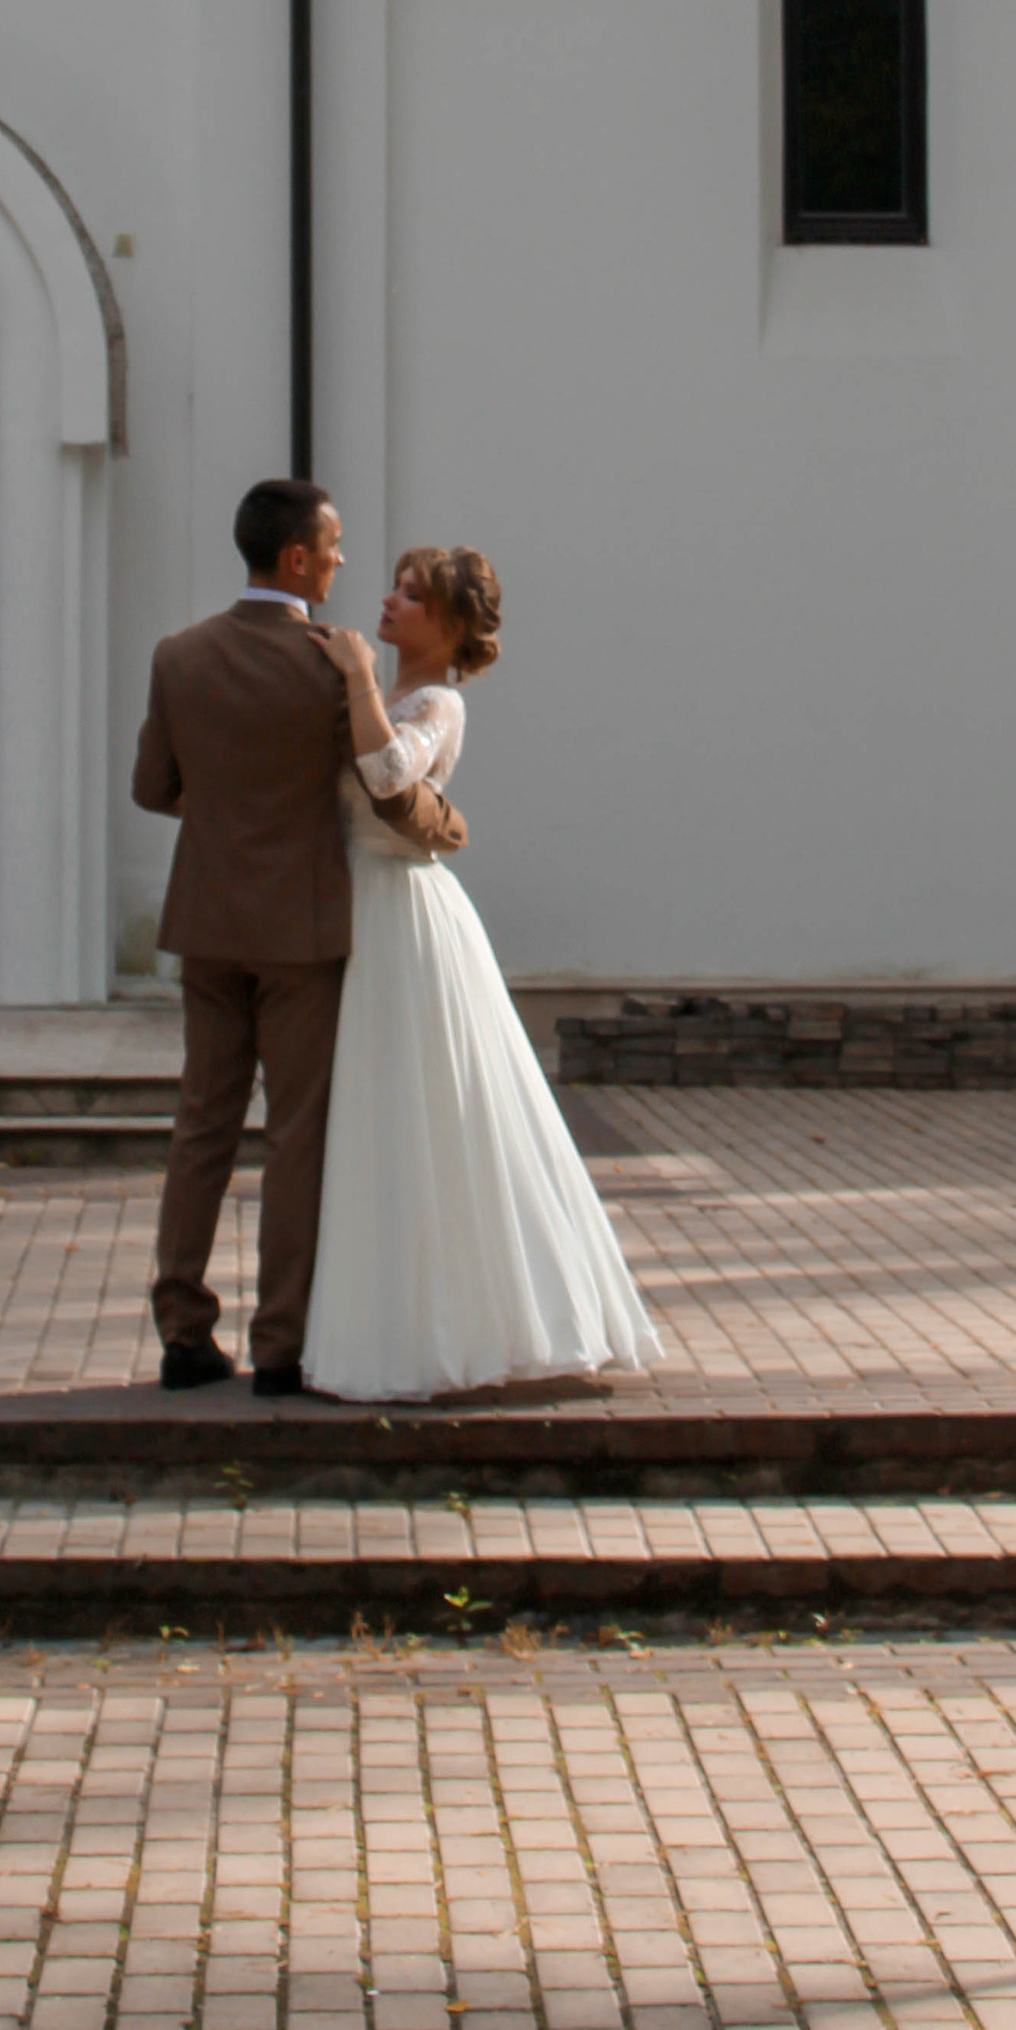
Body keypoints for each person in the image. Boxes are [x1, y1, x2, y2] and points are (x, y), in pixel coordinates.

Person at [131, 478, 467, 1396]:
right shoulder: (331, 664)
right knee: (296, 1134)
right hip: (304, 928)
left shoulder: (178, 655)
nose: (343, 560)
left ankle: (181, 1330)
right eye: (334, 545)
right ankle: (280, 1342)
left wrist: (227, 816)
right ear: (297, 559)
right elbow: (373, 782)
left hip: (207, 919)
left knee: (202, 1122)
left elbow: (153, 788)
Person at [303, 547, 660, 1402]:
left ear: (453, 627)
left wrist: (354, 677)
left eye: (414, 595)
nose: (390, 601)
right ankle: (382, 1317)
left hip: (407, 915)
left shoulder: (437, 704)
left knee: (432, 1116)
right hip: (350, 907)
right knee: (371, 1117)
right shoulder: (380, 694)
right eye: (394, 586)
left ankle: (470, 1325)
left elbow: (391, 776)